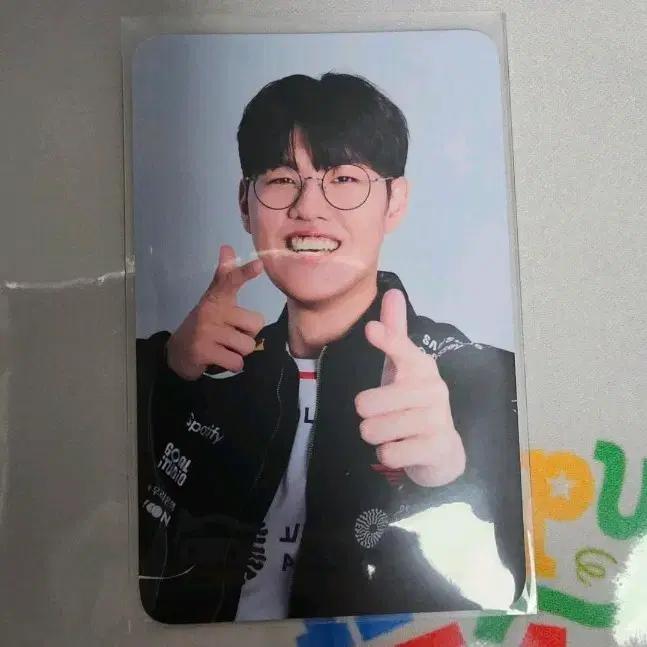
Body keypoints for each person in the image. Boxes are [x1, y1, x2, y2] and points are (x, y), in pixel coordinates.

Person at [136, 72, 526, 624]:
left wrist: (454, 472)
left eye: (343, 178)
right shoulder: (203, 371)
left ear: (395, 202)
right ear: (245, 203)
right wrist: (166, 371)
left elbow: (537, 579)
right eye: (281, 179)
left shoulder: (482, 379)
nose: (309, 208)